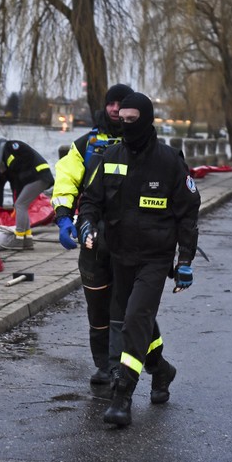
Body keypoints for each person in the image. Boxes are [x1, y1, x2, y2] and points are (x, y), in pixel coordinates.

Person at [78, 92, 201, 427]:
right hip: (120, 255)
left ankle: (122, 396)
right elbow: (91, 200)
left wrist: (185, 260)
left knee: (133, 320)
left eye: (132, 120)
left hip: (155, 258)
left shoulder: (169, 161)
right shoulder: (110, 156)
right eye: (122, 120)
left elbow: (188, 213)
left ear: (146, 120)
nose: (126, 126)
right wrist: (86, 224)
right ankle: (161, 369)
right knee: (136, 321)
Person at [52, 83, 165, 392]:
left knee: (132, 311)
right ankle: (105, 365)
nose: (115, 109)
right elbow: (65, 180)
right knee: (98, 308)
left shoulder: (147, 147)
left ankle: (150, 366)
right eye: (110, 103)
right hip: (94, 239)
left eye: (121, 103)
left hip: (132, 242)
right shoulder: (85, 145)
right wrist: (63, 217)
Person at [0, 136, 54, 250]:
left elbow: (19, 169)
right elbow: (15, 177)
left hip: (38, 177)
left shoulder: (10, 147)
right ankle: (27, 239)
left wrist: (19, 187)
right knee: (22, 205)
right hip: (38, 177)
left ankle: (18, 238)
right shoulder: (7, 152)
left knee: (20, 205)